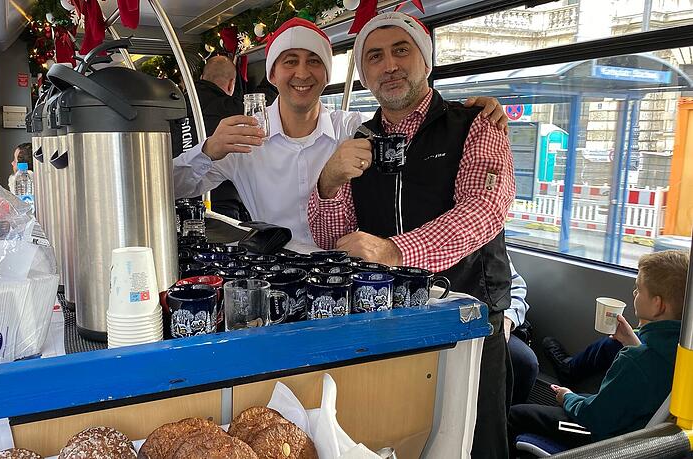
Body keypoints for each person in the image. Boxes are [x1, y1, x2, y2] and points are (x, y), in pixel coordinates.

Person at [307, 13, 515, 457]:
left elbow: (484, 210)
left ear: (426, 60)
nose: (389, 65)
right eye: (374, 57)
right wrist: (329, 180)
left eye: (401, 50)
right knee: (395, 437)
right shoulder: (360, 138)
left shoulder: (475, 123)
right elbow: (332, 238)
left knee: (474, 442)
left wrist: (394, 251)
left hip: (466, 317)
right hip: (387, 320)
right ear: (365, 76)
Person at [172, 17, 507, 245]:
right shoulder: (243, 138)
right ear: (272, 74)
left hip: (345, 273)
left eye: (314, 61)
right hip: (273, 271)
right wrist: (208, 151)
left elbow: (411, 121)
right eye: (290, 60)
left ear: (326, 74)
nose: (302, 72)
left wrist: (469, 112)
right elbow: (172, 187)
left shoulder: (355, 129)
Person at [508, 250, 689, 449]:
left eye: (639, 289)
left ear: (658, 305)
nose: (634, 293)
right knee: (582, 399)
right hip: (640, 427)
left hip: (609, 438)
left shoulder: (634, 360)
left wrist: (567, 397)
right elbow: (654, 371)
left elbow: (594, 417)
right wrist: (632, 342)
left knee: (515, 415)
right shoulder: (681, 348)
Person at [170, 55, 250, 221]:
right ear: (231, 84)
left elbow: (168, 180)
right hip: (221, 206)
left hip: (174, 207)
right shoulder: (235, 111)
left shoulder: (174, 107)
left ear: (202, 77)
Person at [506, 259, 539, 406]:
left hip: (495, 320)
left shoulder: (492, 248)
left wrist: (507, 319)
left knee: (525, 362)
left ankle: (510, 415)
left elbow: (516, 287)